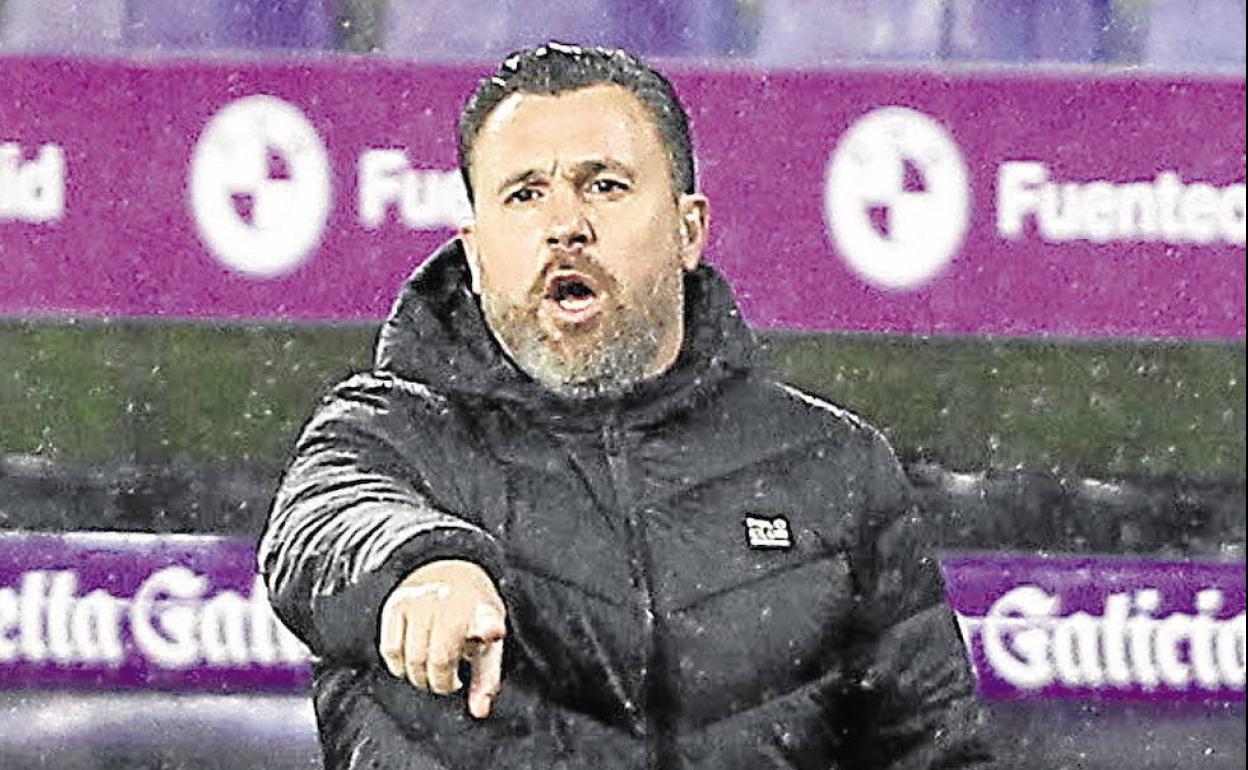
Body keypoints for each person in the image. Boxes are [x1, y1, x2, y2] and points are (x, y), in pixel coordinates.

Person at [259, 42, 992, 770]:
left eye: (603, 185)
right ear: (476, 255)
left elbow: (933, 752)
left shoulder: (837, 468)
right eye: (524, 194)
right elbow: (326, 519)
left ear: (688, 230)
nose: (565, 225)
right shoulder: (388, 432)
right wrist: (421, 566)